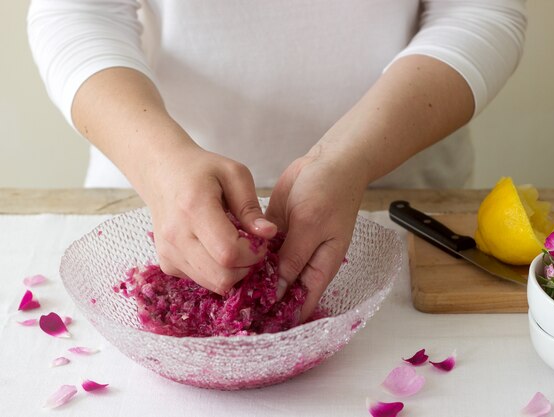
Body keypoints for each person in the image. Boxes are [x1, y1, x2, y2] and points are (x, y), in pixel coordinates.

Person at [28, 0, 527, 320]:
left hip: (390, 187)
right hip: (157, 188)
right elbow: (75, 10)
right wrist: (159, 162)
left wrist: (350, 157)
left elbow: (479, 11)